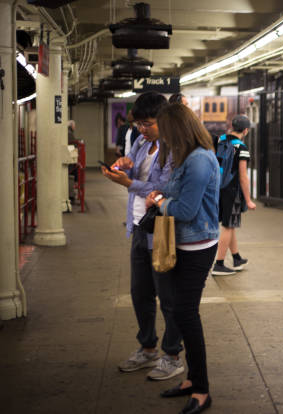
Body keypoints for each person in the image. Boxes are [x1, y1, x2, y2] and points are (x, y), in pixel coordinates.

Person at [102, 92, 185, 380]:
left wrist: (129, 182)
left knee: (168, 295)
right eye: (138, 124)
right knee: (140, 293)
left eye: (147, 124)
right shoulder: (140, 141)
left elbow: (163, 188)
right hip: (138, 225)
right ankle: (148, 348)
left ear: (163, 119)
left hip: (161, 228)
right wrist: (126, 164)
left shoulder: (174, 147)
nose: (142, 129)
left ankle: (172, 354)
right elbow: (139, 174)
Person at [146, 103, 219, 414]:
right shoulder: (186, 157)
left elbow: (186, 211)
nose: (162, 139)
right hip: (184, 244)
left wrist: (160, 202)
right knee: (177, 311)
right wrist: (160, 194)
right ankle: (192, 379)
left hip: (197, 246)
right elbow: (173, 189)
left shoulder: (199, 161)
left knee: (187, 315)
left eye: (165, 132)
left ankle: (201, 390)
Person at [211, 115, 256, 276]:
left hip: (217, 188)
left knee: (230, 224)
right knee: (228, 226)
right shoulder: (242, 148)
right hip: (232, 190)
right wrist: (249, 200)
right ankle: (219, 264)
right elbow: (243, 177)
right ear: (245, 130)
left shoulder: (220, 140)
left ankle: (236, 258)